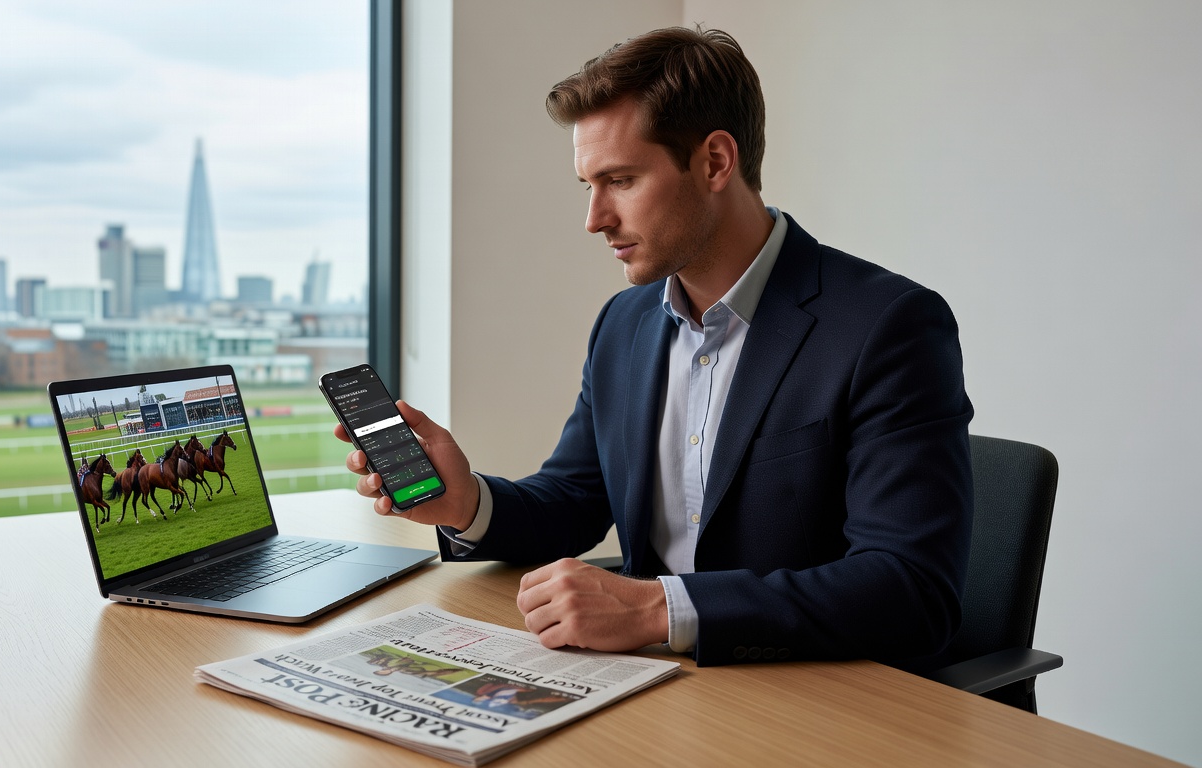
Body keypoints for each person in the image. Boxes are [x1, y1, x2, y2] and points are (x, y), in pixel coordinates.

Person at [335, 26, 973, 669]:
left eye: (621, 180)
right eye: (588, 184)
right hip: (646, 685)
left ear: (716, 162)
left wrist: (655, 609)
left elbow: (909, 590)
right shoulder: (626, 323)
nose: (595, 217)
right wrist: (468, 501)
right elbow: (577, 498)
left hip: (806, 697)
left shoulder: (886, 326)